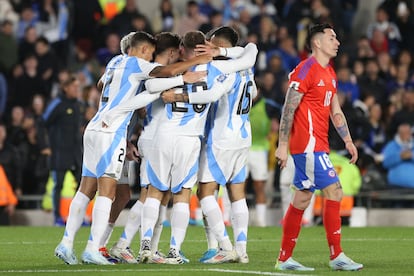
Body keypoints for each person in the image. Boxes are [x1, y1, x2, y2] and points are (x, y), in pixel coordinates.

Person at [54, 31, 210, 265]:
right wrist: (192, 68)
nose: (149, 55)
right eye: (149, 51)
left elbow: (102, 84)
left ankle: (67, 243)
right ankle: (93, 248)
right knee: (107, 192)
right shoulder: (137, 63)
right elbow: (163, 74)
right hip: (112, 132)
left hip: (96, 127)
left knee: (87, 188)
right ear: (143, 49)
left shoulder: (114, 62)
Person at [140, 30, 257, 265]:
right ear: (204, 46)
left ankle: (145, 247)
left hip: (172, 136)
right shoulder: (226, 70)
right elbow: (251, 53)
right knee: (191, 194)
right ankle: (177, 250)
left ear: (183, 47)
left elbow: (152, 86)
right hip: (206, 139)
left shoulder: (178, 68)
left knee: (157, 191)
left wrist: (177, 92)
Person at [274, 23, 363, 271]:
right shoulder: (305, 70)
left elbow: (335, 110)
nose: (337, 42)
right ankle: (337, 256)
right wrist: (282, 144)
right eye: (332, 37)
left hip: (319, 145)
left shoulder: (330, 73)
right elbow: (288, 108)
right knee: (334, 191)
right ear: (317, 43)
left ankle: (284, 259)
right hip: (307, 145)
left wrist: (347, 140)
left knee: (302, 199)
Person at [41, 75, 83, 226]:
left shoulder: (78, 105)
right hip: (59, 153)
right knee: (58, 185)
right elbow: (41, 123)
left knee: (82, 185)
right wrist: (44, 146)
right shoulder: (57, 103)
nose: (77, 89)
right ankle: (57, 218)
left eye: (78, 87)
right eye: (74, 87)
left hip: (75, 153)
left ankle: (77, 217)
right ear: (66, 88)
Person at [382, 123, 414, 189]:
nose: (406, 134)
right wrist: (400, 157)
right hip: (396, 186)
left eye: (408, 132)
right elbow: (385, 163)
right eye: (403, 132)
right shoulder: (391, 145)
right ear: (399, 133)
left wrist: (411, 156)